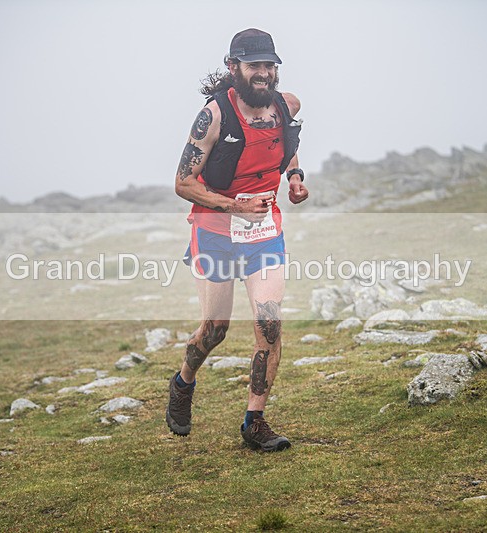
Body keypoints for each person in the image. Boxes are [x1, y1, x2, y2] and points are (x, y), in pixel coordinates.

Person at [166, 28, 309, 452]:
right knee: (215, 330)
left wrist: (296, 178)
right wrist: (233, 207)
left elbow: (288, 145)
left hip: (264, 232)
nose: (264, 73)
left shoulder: (287, 106)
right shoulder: (213, 116)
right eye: (255, 66)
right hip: (214, 231)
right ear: (234, 69)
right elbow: (182, 182)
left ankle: (254, 422)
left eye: (270, 65)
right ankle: (183, 382)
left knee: (269, 323)